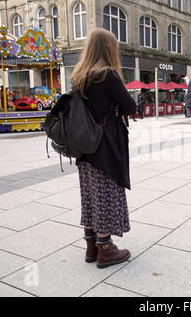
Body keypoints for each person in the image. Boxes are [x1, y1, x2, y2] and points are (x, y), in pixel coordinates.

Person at [70, 28, 136, 269]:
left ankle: (91, 246)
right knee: (106, 196)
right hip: (105, 147)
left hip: (83, 147)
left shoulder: (79, 75)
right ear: (109, 49)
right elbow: (130, 106)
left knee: (89, 196)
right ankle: (105, 250)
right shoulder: (107, 74)